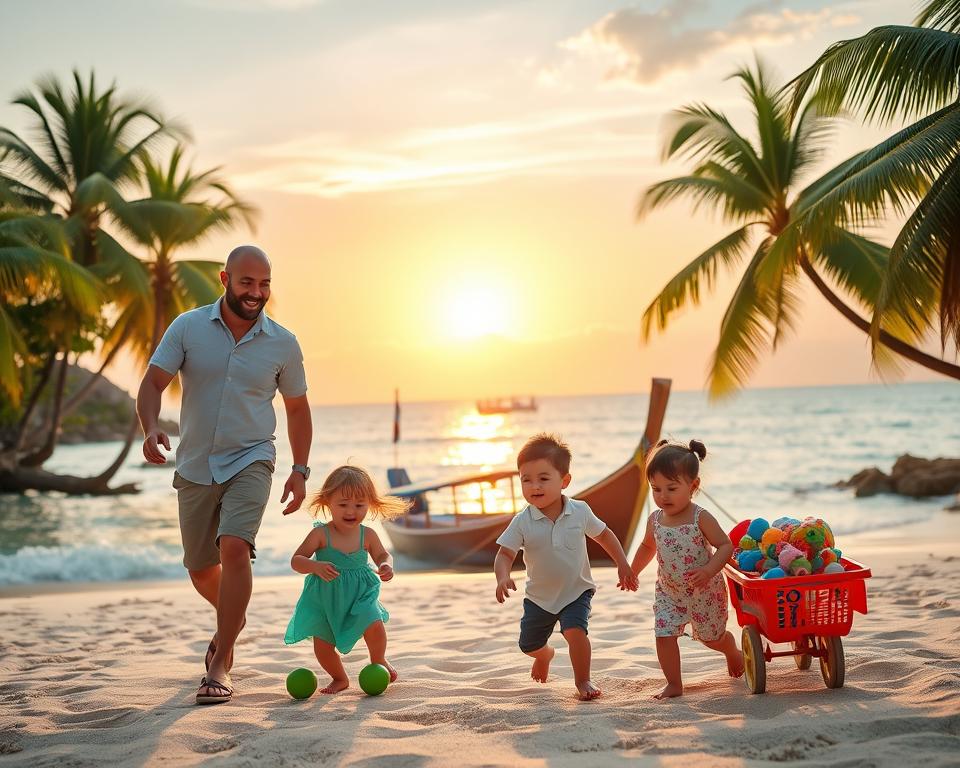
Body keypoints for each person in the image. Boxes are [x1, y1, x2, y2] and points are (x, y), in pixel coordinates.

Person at [136, 245, 313, 705]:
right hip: (195, 463)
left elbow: (297, 409)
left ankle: (220, 661)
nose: (257, 292)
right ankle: (231, 617)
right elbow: (153, 383)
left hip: (252, 458)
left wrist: (299, 469)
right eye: (247, 282)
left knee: (235, 546)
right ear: (225, 279)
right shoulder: (188, 327)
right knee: (200, 570)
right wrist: (151, 426)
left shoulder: (283, 343)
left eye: (265, 283)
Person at [494, 433, 638, 701]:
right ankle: (545, 655)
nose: (534, 486)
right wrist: (502, 578)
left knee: (575, 631)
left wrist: (622, 564)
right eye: (526, 479)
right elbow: (504, 554)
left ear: (565, 481)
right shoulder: (522, 521)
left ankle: (583, 680)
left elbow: (605, 535)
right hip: (539, 597)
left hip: (576, 590)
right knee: (529, 645)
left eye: (543, 479)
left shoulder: (580, 511)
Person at [630, 439, 743, 699]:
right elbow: (648, 547)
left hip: (705, 590)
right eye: (656, 489)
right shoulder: (655, 520)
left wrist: (708, 570)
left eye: (671, 488)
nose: (663, 496)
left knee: (711, 638)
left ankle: (731, 651)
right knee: (663, 634)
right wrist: (633, 571)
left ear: (693, 486)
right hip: (669, 592)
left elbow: (725, 546)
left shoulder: (699, 517)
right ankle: (674, 684)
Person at [284, 465, 407, 693]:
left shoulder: (367, 534)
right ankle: (339, 678)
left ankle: (378, 659)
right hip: (324, 599)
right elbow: (296, 560)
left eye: (359, 505)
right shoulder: (321, 534)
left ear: (369, 503)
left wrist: (385, 565)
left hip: (360, 595)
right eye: (343, 505)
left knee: (375, 624)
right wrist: (314, 566)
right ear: (327, 502)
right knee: (322, 645)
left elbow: (382, 554)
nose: (351, 511)